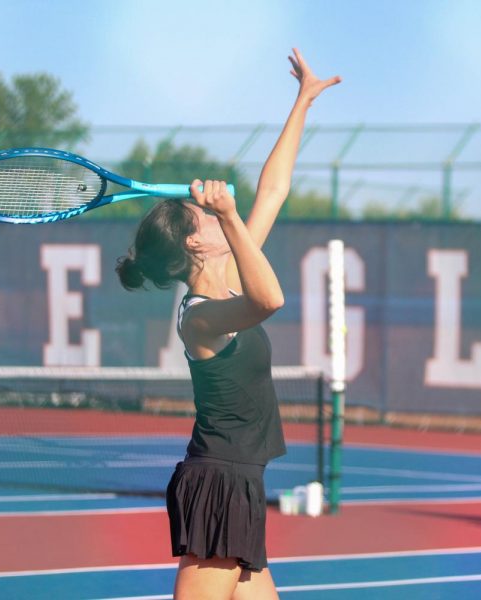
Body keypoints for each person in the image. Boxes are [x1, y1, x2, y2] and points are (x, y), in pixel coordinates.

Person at [116, 48, 340, 600]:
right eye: (203, 216)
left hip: (242, 481)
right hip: (217, 483)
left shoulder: (230, 280)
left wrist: (302, 102)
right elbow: (271, 300)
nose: (215, 210)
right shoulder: (201, 319)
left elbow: (273, 190)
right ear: (196, 241)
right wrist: (230, 216)